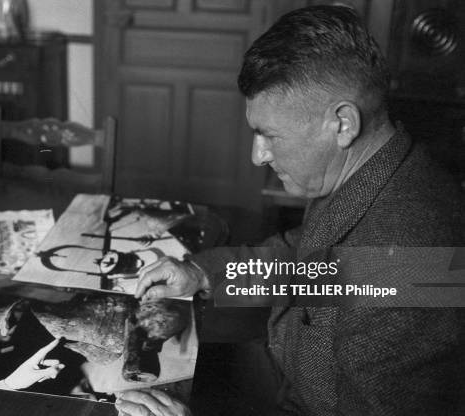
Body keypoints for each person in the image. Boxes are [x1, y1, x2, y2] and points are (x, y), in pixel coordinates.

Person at [115, 5, 464, 416]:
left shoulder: (412, 263)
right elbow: (314, 265)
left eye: (270, 135)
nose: (257, 155)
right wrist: (202, 274)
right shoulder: (377, 171)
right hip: (288, 371)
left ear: (342, 124)